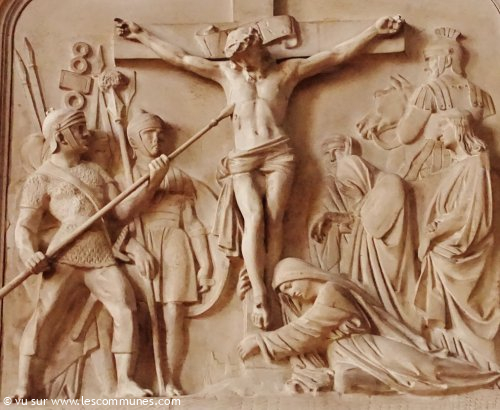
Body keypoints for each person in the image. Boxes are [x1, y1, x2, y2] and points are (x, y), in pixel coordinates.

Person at [116, 15, 403, 329]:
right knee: (253, 217)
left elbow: (335, 55)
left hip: (278, 154)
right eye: (235, 58)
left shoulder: (287, 73)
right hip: (243, 158)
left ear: (257, 48)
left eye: (243, 56)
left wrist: (374, 32)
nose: (239, 63)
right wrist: (141, 34)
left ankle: (270, 281)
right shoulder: (228, 74)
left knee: (274, 221)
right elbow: (182, 58)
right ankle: (258, 292)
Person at [13, 108, 169, 398]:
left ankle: (125, 382)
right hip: (64, 254)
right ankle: (25, 385)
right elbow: (25, 226)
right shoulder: (40, 179)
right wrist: (28, 254)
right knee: (44, 316)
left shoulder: (97, 172)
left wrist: (152, 183)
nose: (87, 134)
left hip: (99, 254)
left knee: (125, 308)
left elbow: (119, 213)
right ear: (60, 136)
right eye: (79, 129)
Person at [238, 258, 500, 394]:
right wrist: (251, 292)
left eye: (289, 285)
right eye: (284, 292)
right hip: (342, 355)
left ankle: (486, 377)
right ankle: (391, 387)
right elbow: (302, 327)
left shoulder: (332, 291)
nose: (290, 293)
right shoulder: (309, 306)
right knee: (344, 382)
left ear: (301, 274)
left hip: (368, 348)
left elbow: (310, 329)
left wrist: (261, 341)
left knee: (428, 368)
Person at [115, 110, 213, 396]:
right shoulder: (123, 178)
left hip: (174, 243)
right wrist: (134, 249)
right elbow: (115, 224)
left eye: (159, 134)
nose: (156, 139)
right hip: (139, 247)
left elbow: (192, 224)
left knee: (174, 314)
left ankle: (170, 380)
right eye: (148, 133)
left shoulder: (178, 177)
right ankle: (136, 378)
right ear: (133, 141)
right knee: (140, 315)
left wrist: (206, 265)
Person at [416, 109, 500, 369]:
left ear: (459, 127)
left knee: (474, 308)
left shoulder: (477, 162)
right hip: (446, 246)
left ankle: (487, 364)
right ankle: (460, 359)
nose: (438, 133)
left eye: (443, 126)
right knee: (446, 311)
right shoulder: (457, 166)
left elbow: (469, 210)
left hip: (466, 247)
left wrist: (434, 234)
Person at [310, 135, 418, 329]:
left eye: (349, 185)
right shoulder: (373, 193)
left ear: (359, 173)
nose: (350, 192)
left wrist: (355, 209)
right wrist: (331, 217)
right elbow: (361, 219)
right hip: (376, 271)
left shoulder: (390, 184)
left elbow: (375, 227)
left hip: (393, 272)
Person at [396, 27, 495, 180]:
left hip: (434, 172)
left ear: (446, 59)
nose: (426, 67)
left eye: (430, 59)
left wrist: (411, 100)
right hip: (474, 170)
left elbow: (405, 136)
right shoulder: (482, 95)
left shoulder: (429, 91)